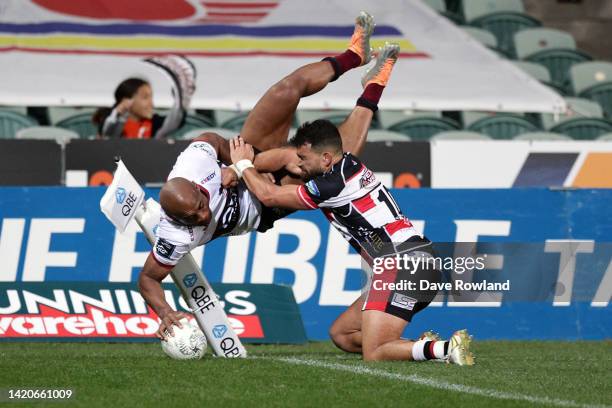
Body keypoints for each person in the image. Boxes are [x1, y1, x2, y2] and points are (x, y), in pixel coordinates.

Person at [139, 11, 383, 338]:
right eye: (194, 216)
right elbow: (148, 279)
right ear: (177, 220)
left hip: (248, 159)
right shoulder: (175, 236)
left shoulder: (194, 164)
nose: (204, 213)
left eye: (201, 203)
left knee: (285, 90)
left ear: (199, 187)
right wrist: (166, 313)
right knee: (336, 161)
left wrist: (232, 165)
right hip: (262, 207)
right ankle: (375, 86)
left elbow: (211, 140)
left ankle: (352, 56)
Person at [93, 77, 186, 139]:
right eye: (145, 97)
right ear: (127, 100)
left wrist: (179, 100)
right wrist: (118, 115)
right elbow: (108, 135)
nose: (151, 104)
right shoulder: (111, 119)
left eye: (151, 97)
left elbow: (175, 121)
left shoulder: (154, 123)